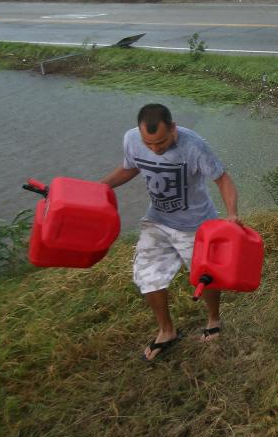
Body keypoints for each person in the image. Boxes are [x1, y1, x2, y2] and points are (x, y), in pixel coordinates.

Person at [99, 103, 241, 362]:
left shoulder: (194, 145)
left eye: (161, 142)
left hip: (197, 225)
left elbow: (222, 179)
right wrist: (99, 188)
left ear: (173, 128)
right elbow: (130, 167)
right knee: (147, 275)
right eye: (149, 143)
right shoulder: (131, 139)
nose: (155, 149)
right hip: (157, 220)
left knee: (205, 277)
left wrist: (231, 214)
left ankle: (214, 319)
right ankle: (167, 331)